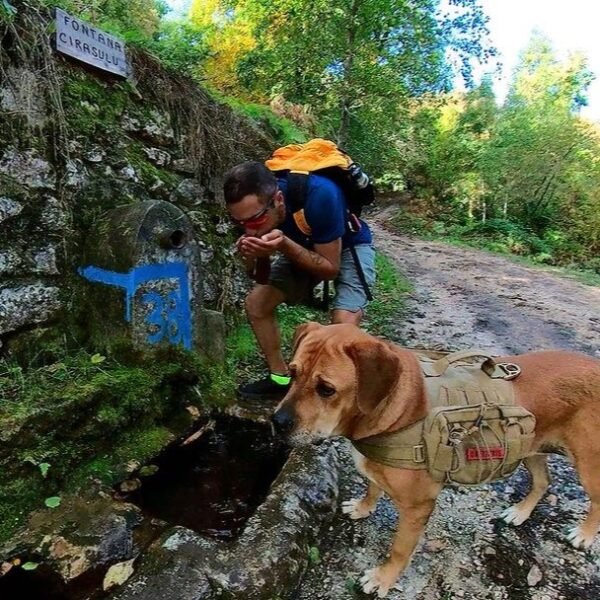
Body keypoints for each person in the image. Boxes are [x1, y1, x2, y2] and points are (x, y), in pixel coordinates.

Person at [224, 160, 376, 402]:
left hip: (348, 246)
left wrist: (283, 243)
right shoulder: (253, 215)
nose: (248, 231)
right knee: (257, 305)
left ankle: (338, 390)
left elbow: (329, 269)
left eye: (253, 222)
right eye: (238, 223)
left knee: (342, 324)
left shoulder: (320, 195)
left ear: (278, 200)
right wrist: (255, 257)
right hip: (300, 245)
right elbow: (260, 278)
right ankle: (279, 379)